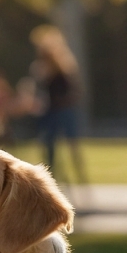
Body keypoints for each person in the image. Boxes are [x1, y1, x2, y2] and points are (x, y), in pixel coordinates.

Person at [29, 25, 88, 183]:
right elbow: (38, 90)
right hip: (49, 112)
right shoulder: (40, 68)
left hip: (64, 110)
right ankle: (51, 179)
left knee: (72, 145)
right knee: (49, 147)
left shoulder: (63, 65)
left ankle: (81, 179)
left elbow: (74, 91)